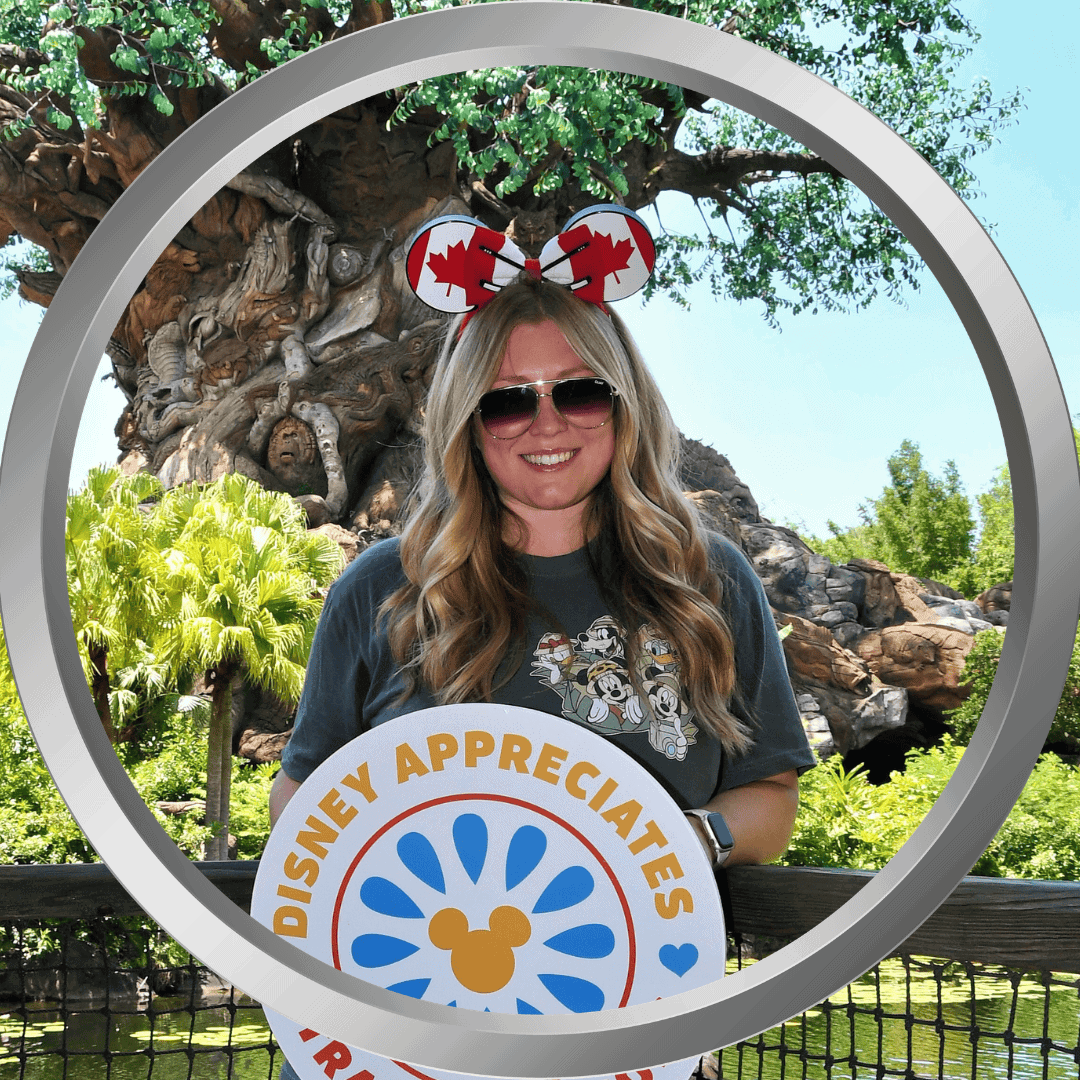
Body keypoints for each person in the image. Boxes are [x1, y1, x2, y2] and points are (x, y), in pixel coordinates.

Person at [268, 210, 815, 1079]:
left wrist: (681, 843)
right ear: (466, 421)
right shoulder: (383, 587)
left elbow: (771, 793)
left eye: (581, 389)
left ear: (624, 402)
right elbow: (303, 794)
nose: (547, 422)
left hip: (637, 1033)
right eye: (508, 399)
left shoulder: (707, 579)